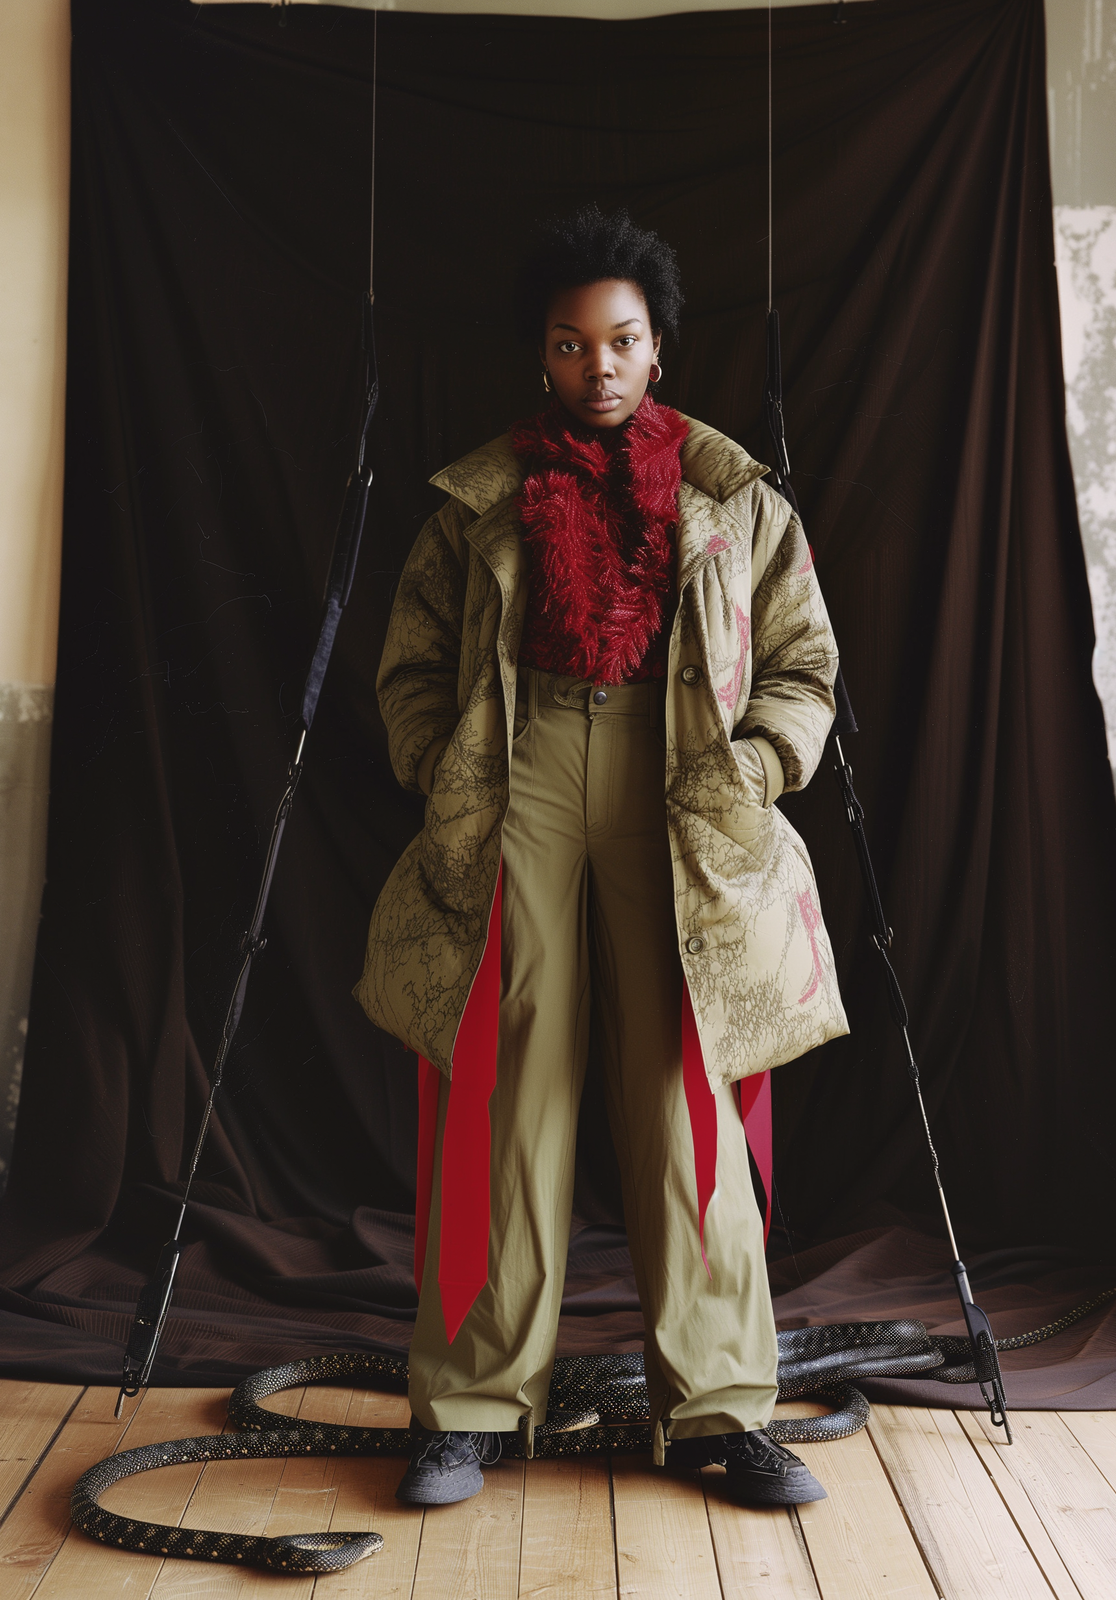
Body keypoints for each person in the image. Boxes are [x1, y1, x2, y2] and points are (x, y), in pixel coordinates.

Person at [355, 204, 848, 1508]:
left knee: (682, 1098)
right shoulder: (476, 504)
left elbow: (800, 665)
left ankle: (720, 1409)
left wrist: (754, 766)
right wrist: (440, 765)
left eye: (622, 339)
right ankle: (466, 1407)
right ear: (543, 358)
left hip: (678, 790)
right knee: (502, 1102)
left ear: (659, 347)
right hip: (520, 791)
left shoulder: (731, 500)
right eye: (572, 346)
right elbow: (409, 666)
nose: (600, 367)